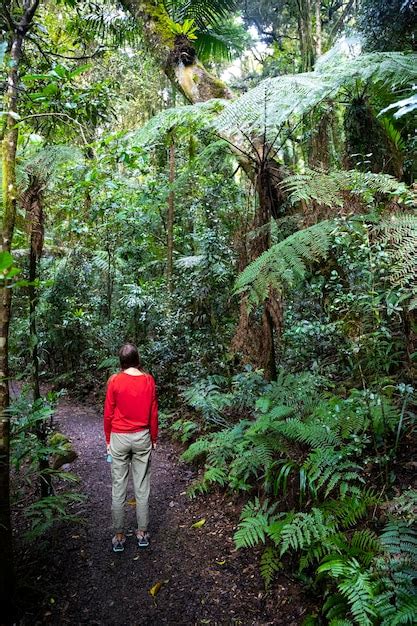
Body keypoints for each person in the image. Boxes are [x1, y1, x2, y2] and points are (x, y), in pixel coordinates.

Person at [104, 343, 158, 553]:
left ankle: (119, 535)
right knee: (142, 485)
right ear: (138, 359)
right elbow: (153, 412)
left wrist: (108, 440)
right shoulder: (148, 380)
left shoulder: (115, 381)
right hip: (142, 435)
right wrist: (154, 437)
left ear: (121, 362)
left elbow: (108, 413)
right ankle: (142, 533)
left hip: (119, 436)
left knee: (119, 486)